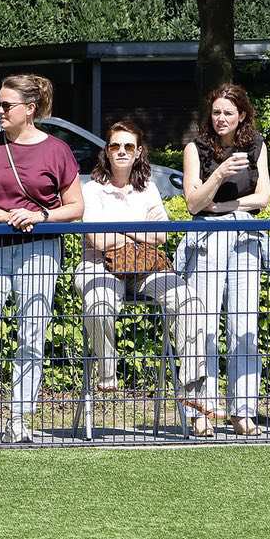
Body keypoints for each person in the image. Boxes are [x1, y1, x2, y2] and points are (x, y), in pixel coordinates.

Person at [0, 73, 84, 444]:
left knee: (32, 332)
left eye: (6, 105)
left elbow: (75, 206)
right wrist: (3, 216)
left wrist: (40, 216)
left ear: (29, 110)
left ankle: (20, 417)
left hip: (39, 250)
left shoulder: (57, 150)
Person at [75, 122, 213, 434]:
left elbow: (162, 235)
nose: (121, 152)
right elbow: (97, 242)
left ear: (138, 152)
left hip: (146, 268)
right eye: (114, 146)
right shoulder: (92, 189)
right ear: (106, 152)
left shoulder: (148, 187)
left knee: (189, 301)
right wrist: (139, 233)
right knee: (98, 302)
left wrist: (119, 230)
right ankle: (108, 370)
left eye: (128, 147)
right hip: (100, 267)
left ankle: (193, 397)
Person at [182, 83, 270, 436]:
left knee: (243, 323)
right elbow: (193, 203)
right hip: (207, 237)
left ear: (242, 116)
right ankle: (202, 409)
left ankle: (243, 410)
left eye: (228, 113)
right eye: (216, 112)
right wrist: (219, 174)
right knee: (202, 322)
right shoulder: (196, 148)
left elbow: (263, 197)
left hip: (245, 235)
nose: (221, 119)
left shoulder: (256, 146)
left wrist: (226, 207)